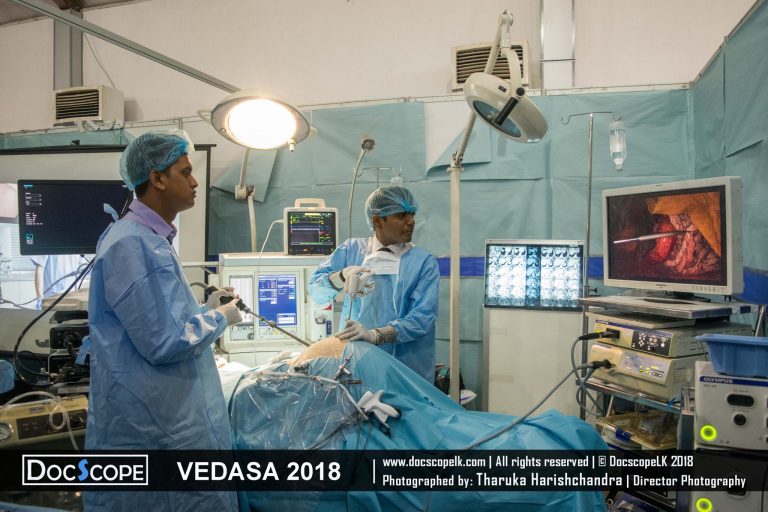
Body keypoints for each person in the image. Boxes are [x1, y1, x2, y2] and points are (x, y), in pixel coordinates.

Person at [84, 130, 241, 511]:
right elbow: (164, 342)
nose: (195, 181)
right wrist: (221, 318)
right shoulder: (132, 243)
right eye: (185, 172)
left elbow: (163, 320)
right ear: (157, 178)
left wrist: (205, 309)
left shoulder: (148, 239)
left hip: (167, 415)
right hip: (155, 426)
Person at [308, 185, 440, 383]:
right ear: (377, 220)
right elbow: (315, 292)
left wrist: (376, 335)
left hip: (407, 372)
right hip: (356, 364)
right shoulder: (351, 251)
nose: (411, 221)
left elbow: (423, 318)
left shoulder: (423, 263)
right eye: (401, 215)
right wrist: (341, 276)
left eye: (412, 214)